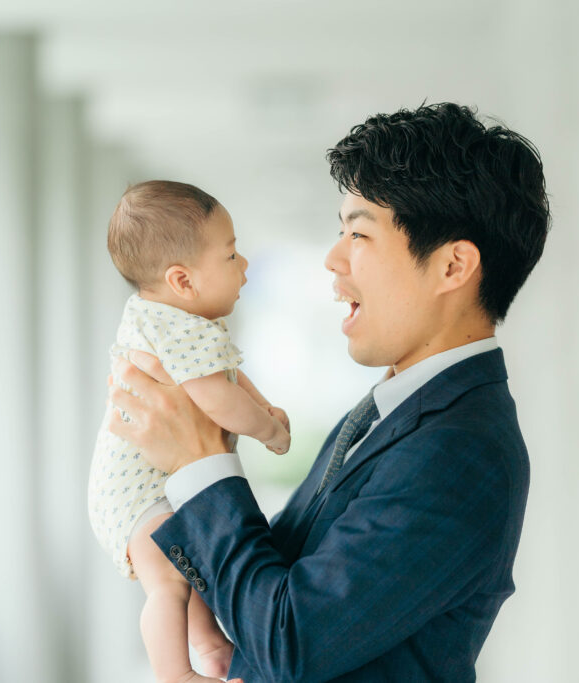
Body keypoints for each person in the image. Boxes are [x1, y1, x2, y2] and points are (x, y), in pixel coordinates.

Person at [108, 103, 550, 682]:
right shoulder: (390, 411)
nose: (333, 257)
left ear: (452, 266)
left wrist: (201, 463)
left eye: (359, 233)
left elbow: (291, 641)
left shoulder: (459, 448)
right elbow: (270, 584)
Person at [87, 180, 291, 683]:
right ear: (182, 280)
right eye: (231, 255)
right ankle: (175, 674)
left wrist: (263, 403)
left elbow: (227, 373)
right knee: (169, 583)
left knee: (189, 564)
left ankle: (210, 646)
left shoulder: (180, 323)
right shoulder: (175, 328)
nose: (244, 266)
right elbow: (219, 398)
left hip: (141, 486)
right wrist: (268, 428)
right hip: (135, 493)